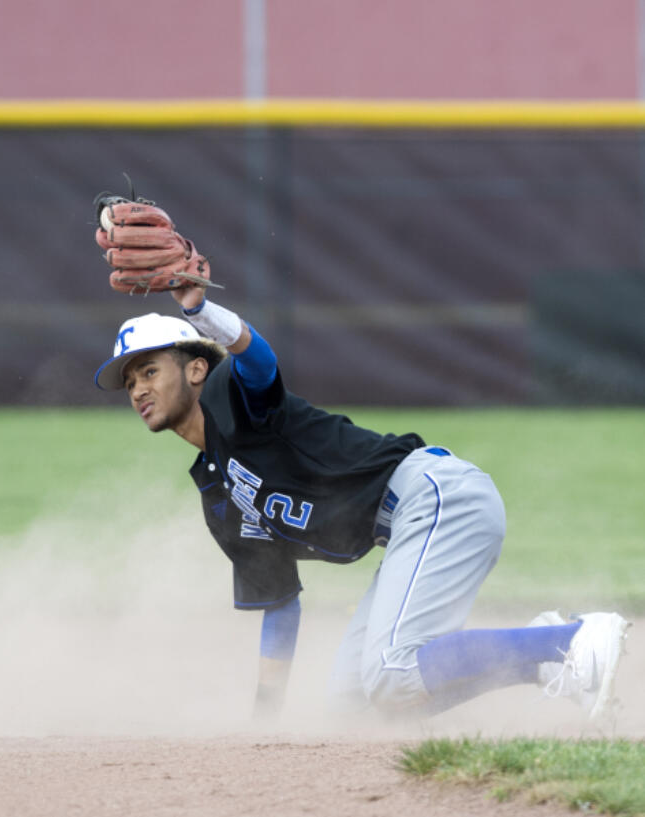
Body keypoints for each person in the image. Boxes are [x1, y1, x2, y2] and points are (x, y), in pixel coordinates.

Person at [91, 200, 630, 723]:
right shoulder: (218, 492)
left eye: (150, 370)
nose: (138, 388)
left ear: (194, 371)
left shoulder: (234, 397)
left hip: (434, 496)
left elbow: (258, 359)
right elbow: (280, 603)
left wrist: (198, 310)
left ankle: (574, 640)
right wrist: (264, 719)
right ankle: (541, 654)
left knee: (393, 672)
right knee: (360, 709)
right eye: (131, 380)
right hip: (407, 526)